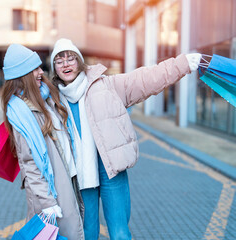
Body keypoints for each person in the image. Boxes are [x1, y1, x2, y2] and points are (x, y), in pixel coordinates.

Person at [50, 38, 201, 240]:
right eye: (59, 61)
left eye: (71, 58)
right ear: (54, 67)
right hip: (81, 176)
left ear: (79, 61)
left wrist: (181, 64)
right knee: (86, 234)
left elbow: (146, 79)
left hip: (111, 168)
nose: (66, 64)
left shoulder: (106, 85)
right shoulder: (51, 99)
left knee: (120, 233)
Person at [0, 44, 84, 240]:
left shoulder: (45, 95)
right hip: (51, 191)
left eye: (39, 67)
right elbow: (28, 163)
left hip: (67, 176)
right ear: (23, 75)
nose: (40, 72)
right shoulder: (21, 112)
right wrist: (47, 202)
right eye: (35, 69)